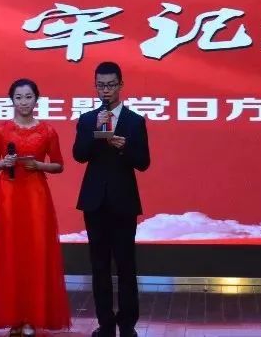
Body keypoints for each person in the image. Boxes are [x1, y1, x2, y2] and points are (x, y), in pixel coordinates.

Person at [0, 78, 72, 335]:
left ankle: (31, 317)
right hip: (9, 194)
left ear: (36, 99)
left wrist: (38, 166)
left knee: (36, 252)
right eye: (19, 97)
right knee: (10, 252)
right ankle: (14, 317)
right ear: (12, 100)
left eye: (28, 97)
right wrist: (4, 163)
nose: (24, 102)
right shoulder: (1, 130)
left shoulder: (48, 131)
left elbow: (59, 165)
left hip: (36, 194)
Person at [73, 62, 151, 337]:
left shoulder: (134, 121)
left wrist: (125, 147)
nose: (105, 90)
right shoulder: (87, 119)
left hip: (123, 202)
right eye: (101, 85)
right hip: (94, 202)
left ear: (121, 85)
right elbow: (79, 155)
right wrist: (96, 135)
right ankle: (105, 323)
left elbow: (143, 162)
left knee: (126, 266)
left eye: (110, 85)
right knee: (99, 266)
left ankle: (127, 324)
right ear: (95, 87)